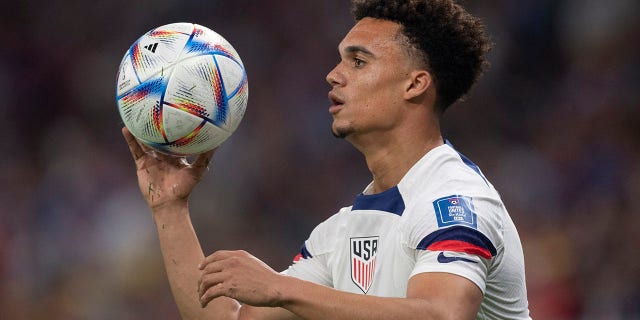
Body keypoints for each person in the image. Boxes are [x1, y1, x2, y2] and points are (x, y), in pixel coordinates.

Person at [122, 0, 531, 319]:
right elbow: (232, 318)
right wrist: (170, 208)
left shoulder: (454, 199)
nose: (333, 75)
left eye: (358, 61)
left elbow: (442, 313)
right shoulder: (342, 231)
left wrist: (281, 287)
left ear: (415, 84)